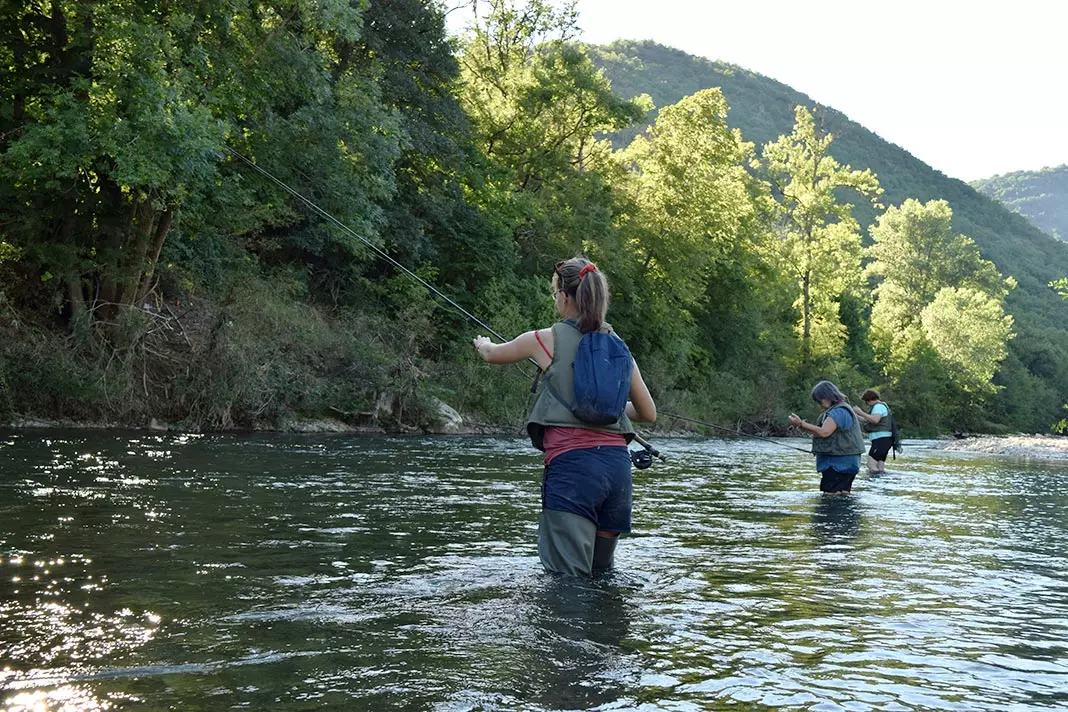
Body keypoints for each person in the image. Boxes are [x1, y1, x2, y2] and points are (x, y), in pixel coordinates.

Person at [472, 257, 656, 576]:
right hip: (616, 474)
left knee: (567, 586)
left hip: (573, 472)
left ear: (565, 297)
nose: (555, 298)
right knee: (601, 578)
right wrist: (608, 408)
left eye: (554, 293)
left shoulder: (545, 339)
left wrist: (482, 343)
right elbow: (647, 413)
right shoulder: (619, 347)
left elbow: (492, 354)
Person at [788, 380, 864, 495]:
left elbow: (824, 432)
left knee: (830, 496)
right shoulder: (844, 409)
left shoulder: (838, 412)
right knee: (843, 495)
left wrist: (801, 424)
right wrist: (802, 427)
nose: (819, 404)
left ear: (827, 396)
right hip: (848, 463)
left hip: (836, 464)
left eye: (819, 400)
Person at [853, 389, 894, 474]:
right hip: (885, 440)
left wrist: (860, 412)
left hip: (881, 440)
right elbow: (867, 419)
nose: (867, 404)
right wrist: (856, 415)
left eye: (866, 402)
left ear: (869, 399)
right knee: (880, 466)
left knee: (871, 465)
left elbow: (875, 420)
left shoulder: (878, 407)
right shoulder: (882, 406)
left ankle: (874, 484)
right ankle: (881, 483)